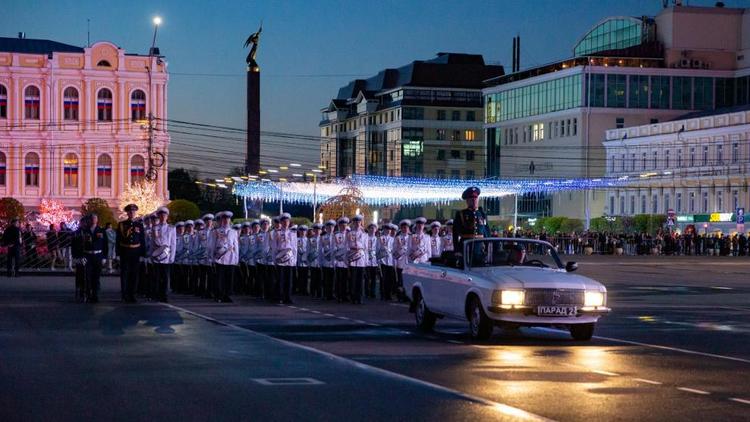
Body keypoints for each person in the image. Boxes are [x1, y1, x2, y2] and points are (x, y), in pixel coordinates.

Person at [71, 213, 108, 303]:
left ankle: (95, 295)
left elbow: (105, 245)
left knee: (96, 276)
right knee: (87, 276)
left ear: (97, 220)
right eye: (92, 219)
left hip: (98, 256)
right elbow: (79, 245)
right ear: (89, 220)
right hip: (87, 256)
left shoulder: (102, 231)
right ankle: (88, 294)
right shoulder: (84, 231)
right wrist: (79, 257)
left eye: (95, 218)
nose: (93, 220)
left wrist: (104, 257)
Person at [116, 204, 146, 303]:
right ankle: (124, 295)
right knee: (124, 274)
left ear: (135, 212)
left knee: (134, 274)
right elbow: (118, 240)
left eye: (133, 211)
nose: (132, 213)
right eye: (130, 211)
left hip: (135, 252)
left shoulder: (139, 225)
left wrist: (143, 254)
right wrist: (117, 254)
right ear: (127, 213)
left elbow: (142, 240)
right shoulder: (121, 224)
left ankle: (132, 294)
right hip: (125, 251)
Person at [208, 211, 239, 303]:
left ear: (230, 220)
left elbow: (236, 245)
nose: (226, 221)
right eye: (224, 219)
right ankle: (219, 295)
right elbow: (212, 245)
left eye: (227, 219)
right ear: (221, 220)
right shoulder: (216, 231)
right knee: (219, 278)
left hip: (230, 257)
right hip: (219, 258)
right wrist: (211, 257)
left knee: (229, 278)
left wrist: (236, 258)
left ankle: (227, 295)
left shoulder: (233, 232)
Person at [453, 186, 490, 254]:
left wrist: (488, 249)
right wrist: (457, 250)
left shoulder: (482, 214)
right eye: (471, 198)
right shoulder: (461, 214)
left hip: (480, 248)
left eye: (475, 198)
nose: (474, 200)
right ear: (467, 200)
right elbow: (455, 234)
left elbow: (487, 233)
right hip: (466, 247)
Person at [150, 207, 176, 303]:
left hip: (166, 255)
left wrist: (172, 257)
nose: (162, 217)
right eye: (160, 215)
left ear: (167, 216)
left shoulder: (171, 228)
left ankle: (164, 295)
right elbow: (152, 242)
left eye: (164, 215)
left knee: (165, 277)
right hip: (156, 254)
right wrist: (151, 255)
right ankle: (156, 295)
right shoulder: (155, 228)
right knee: (156, 276)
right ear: (158, 216)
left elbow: (173, 244)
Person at [273, 213, 296, 304]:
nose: (285, 223)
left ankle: (288, 297)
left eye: (287, 221)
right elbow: (274, 247)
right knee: (280, 279)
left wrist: (294, 260)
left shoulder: (292, 233)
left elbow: (294, 248)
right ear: (281, 222)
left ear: (289, 222)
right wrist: (274, 259)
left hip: (289, 258)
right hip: (280, 258)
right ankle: (279, 296)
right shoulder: (277, 233)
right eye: (283, 221)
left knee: (289, 279)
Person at [347, 215, 368, 304]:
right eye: (355, 222)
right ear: (353, 223)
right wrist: (347, 258)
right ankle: (353, 296)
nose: (357, 224)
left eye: (359, 222)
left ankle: (359, 297)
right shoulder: (349, 233)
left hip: (361, 257)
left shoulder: (364, 234)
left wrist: (366, 261)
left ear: (361, 223)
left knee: (360, 279)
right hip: (352, 257)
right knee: (353, 278)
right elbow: (347, 246)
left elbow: (366, 248)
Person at [393, 219, 411, 301]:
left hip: (409, 263)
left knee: (408, 281)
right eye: (403, 227)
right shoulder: (398, 238)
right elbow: (394, 250)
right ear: (401, 228)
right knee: (400, 281)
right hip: (400, 262)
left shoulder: (412, 237)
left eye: (406, 227)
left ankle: (407, 296)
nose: (405, 229)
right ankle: (400, 296)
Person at [377, 223, 396, 300]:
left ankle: (388, 294)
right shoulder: (380, 238)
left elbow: (394, 250)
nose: (388, 231)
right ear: (384, 230)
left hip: (390, 261)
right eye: (386, 229)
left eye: (389, 229)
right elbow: (377, 250)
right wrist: (378, 261)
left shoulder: (393, 239)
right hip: (383, 261)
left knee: (390, 279)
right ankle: (382, 294)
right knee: (383, 278)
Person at [333, 217, 350, 302]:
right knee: (339, 279)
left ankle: (345, 295)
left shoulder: (349, 234)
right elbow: (334, 247)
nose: (343, 226)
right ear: (339, 226)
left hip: (346, 260)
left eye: (345, 225)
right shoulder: (336, 235)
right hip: (339, 259)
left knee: (346, 279)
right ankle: (338, 295)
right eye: (341, 225)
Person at [320, 220, 336, 300]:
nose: (330, 228)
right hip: (326, 260)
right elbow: (321, 249)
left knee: (333, 279)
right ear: (326, 228)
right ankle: (326, 294)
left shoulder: (336, 236)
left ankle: (332, 294)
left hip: (333, 261)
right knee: (326, 278)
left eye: (332, 227)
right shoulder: (323, 237)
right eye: (328, 227)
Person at [307, 223, 322, 298]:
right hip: (313, 261)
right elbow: (308, 250)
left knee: (319, 279)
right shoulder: (311, 239)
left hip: (320, 262)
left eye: (318, 230)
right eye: (316, 230)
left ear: (321, 231)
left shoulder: (323, 239)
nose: (317, 231)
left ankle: (319, 293)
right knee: (313, 278)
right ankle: (312, 292)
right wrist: (308, 261)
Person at [365, 222, 379, 299]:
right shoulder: (366, 237)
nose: (372, 230)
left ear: (376, 230)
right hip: (367, 260)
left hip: (374, 261)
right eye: (371, 228)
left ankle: (372, 292)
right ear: (368, 229)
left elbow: (378, 250)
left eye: (374, 228)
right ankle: (367, 292)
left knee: (373, 278)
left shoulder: (377, 239)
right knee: (367, 278)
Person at [295, 225, 309, 295]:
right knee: (300, 275)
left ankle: (305, 290)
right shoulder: (296, 240)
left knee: (305, 276)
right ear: (299, 231)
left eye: (304, 231)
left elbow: (309, 250)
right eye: (301, 231)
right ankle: (300, 289)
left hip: (306, 261)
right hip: (299, 260)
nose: (303, 232)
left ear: (306, 232)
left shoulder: (308, 240)